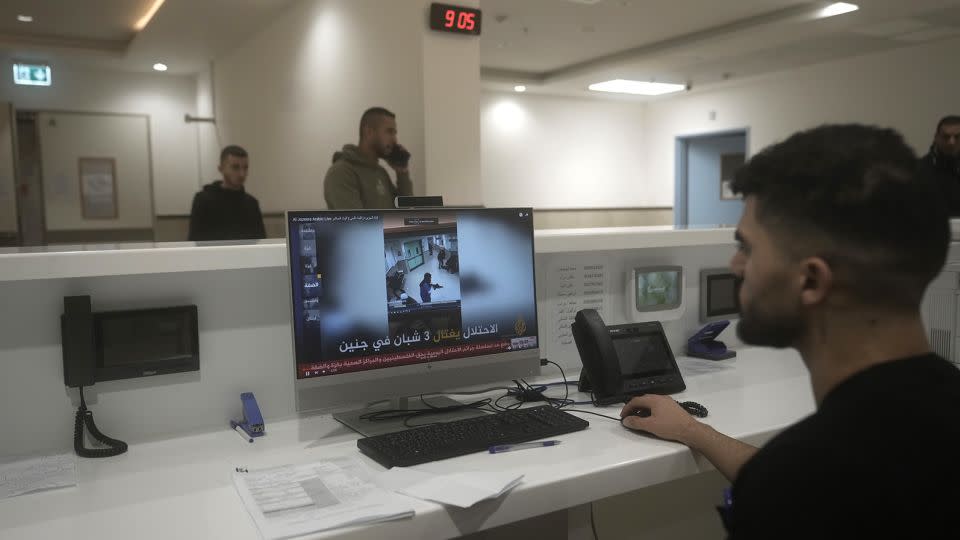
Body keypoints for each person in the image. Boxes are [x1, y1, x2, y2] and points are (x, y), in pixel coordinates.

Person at [620, 124, 959, 538]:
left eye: (747, 248)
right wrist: (694, 432)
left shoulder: (800, 484)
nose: (735, 266)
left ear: (811, 281)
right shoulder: (916, 427)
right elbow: (810, 479)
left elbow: (798, 484)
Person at [324, 107, 413, 209]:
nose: (395, 140)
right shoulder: (341, 172)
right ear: (369, 132)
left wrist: (402, 173)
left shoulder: (380, 172)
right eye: (389, 132)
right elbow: (357, 223)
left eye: (395, 133)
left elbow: (406, 213)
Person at [188, 145, 266, 241]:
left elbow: (261, 242)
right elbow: (194, 241)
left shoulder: (252, 204)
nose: (242, 174)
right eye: (235, 167)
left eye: (245, 168)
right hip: (212, 255)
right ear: (221, 169)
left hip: (245, 255)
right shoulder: (203, 200)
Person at [919, 115, 960, 215]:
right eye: (946, 137)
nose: (951, 142)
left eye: (958, 137)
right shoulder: (920, 169)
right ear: (936, 138)